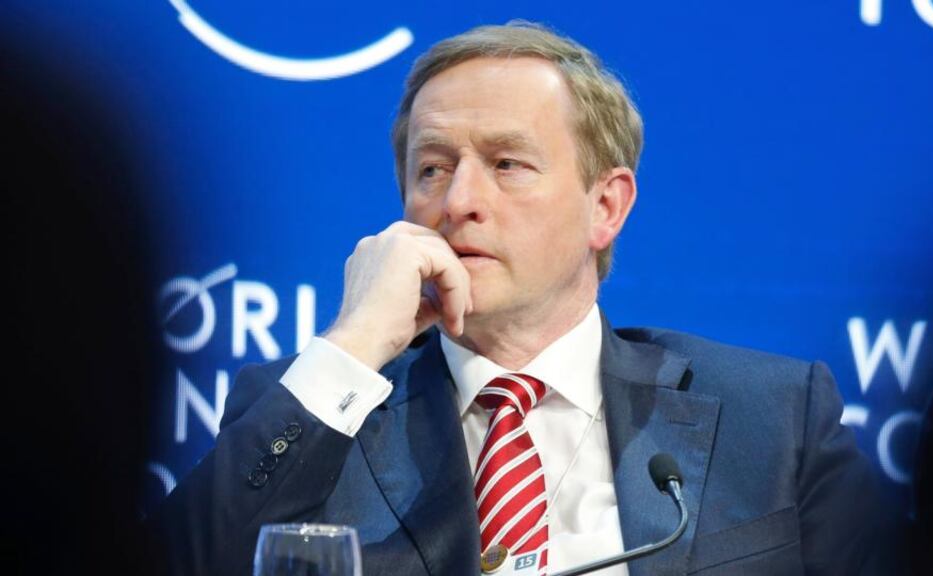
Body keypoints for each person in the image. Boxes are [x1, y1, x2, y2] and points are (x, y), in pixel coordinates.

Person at [151, 21, 877, 575]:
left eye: (507, 164)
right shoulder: (314, 412)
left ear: (606, 207)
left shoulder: (774, 418)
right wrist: (354, 345)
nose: (458, 201)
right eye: (432, 169)